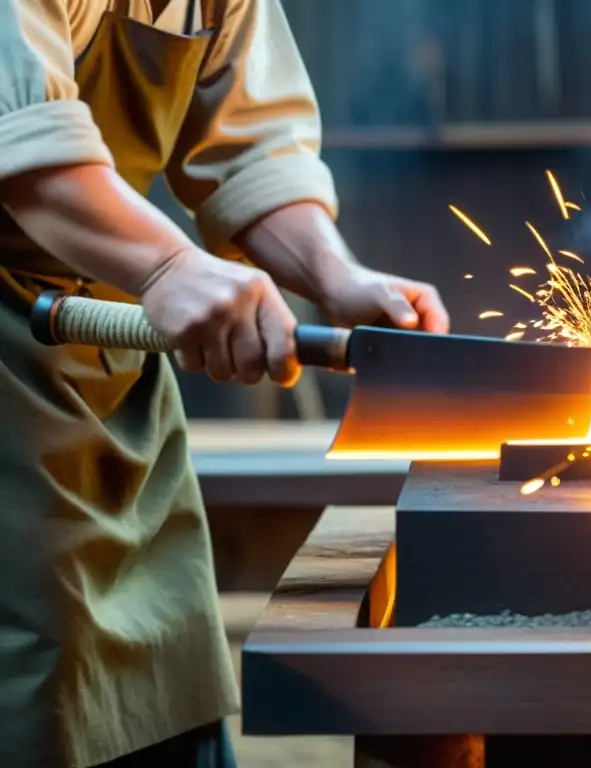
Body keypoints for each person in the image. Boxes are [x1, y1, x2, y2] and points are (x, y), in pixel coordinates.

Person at [0, 0, 449, 765]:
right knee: (42, 678)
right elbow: (24, 151)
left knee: (171, 669)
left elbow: (252, 152)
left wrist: (334, 276)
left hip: (108, 351)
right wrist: (169, 266)